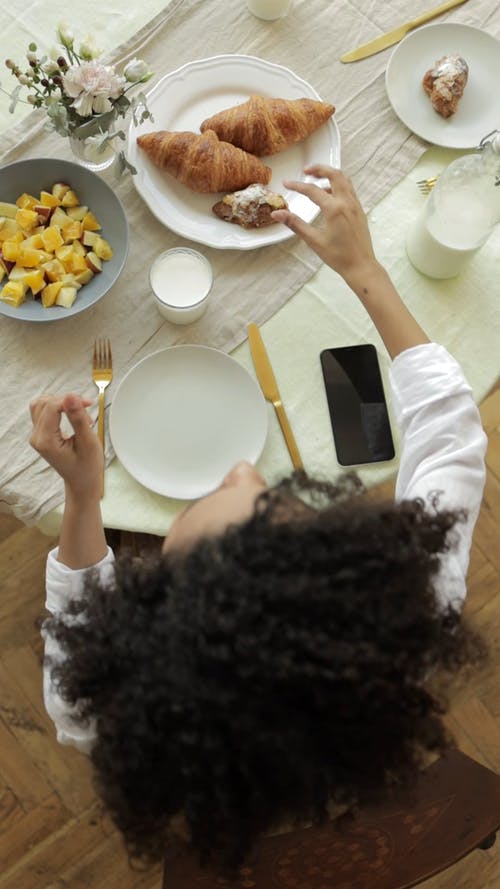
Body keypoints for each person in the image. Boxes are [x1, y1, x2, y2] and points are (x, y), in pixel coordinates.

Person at [31, 167, 487, 874]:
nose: (246, 471)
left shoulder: (106, 703)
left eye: (214, 497)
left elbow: (75, 653)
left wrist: (85, 499)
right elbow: (452, 428)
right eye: (283, 504)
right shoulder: (412, 609)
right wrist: (362, 268)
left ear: (150, 607)